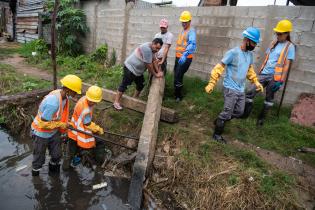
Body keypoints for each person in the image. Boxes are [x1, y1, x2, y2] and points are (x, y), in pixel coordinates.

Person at [205, 27, 264, 143]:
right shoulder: (233, 53)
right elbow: (219, 67)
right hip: (230, 88)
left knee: (239, 112)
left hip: (241, 89)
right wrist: (212, 83)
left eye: (255, 44)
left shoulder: (249, 55)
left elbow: (249, 70)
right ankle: (216, 134)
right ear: (246, 40)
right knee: (227, 111)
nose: (254, 46)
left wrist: (256, 81)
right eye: (253, 43)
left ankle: (219, 120)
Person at [244, 20, 295, 126]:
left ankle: (261, 119)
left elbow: (286, 65)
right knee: (250, 91)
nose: (278, 35)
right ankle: (245, 113)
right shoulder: (273, 43)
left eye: (280, 34)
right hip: (264, 73)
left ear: (287, 34)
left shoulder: (290, 47)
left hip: (275, 77)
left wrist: (281, 81)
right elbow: (267, 58)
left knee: (269, 98)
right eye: (277, 33)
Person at [31, 74, 82, 176]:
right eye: (75, 91)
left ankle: (54, 177)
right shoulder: (53, 102)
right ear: (68, 90)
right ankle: (36, 180)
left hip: (53, 131)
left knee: (56, 155)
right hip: (41, 133)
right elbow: (43, 123)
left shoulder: (64, 97)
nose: (76, 94)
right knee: (39, 159)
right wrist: (62, 125)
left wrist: (66, 124)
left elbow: (58, 116)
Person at [113, 38, 164, 110]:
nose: (157, 50)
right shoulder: (147, 49)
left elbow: (154, 61)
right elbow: (149, 65)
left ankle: (134, 98)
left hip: (138, 71)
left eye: (159, 49)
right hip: (130, 68)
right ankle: (116, 102)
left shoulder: (152, 49)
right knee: (125, 85)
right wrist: (156, 75)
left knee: (140, 84)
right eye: (157, 48)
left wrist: (158, 72)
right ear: (153, 43)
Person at [64, 86, 106, 170]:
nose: (93, 103)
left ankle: (71, 164)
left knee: (71, 153)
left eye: (94, 101)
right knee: (70, 153)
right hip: (76, 132)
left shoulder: (84, 98)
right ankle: (65, 169)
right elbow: (88, 124)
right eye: (92, 101)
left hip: (76, 129)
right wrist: (98, 129)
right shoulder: (84, 109)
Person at [174, 10, 197, 101]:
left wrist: (185, 55)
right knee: (176, 75)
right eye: (182, 22)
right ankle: (176, 93)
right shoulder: (183, 31)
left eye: (185, 22)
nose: (183, 23)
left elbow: (192, 44)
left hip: (185, 58)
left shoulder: (191, 32)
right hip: (178, 57)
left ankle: (178, 96)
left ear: (190, 21)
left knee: (178, 76)